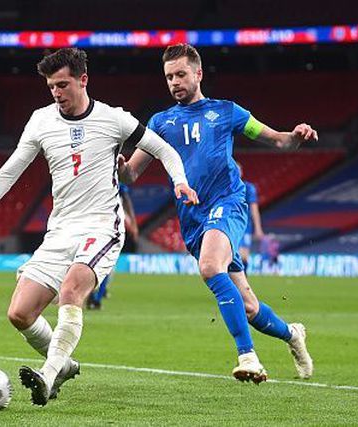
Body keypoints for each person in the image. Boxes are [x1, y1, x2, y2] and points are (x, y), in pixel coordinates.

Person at [0, 48, 198, 406]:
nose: (57, 93)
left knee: (71, 288)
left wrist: (179, 182)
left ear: (83, 80)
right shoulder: (41, 121)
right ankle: (63, 365)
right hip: (60, 229)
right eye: (51, 87)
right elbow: (9, 173)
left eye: (62, 84)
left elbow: (164, 150)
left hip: (102, 226)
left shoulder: (114, 119)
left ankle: (47, 377)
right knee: (20, 313)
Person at [120, 44, 315, 382]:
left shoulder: (227, 112)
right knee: (249, 306)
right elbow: (132, 174)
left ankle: (249, 357)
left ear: (198, 73)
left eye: (181, 74)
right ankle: (292, 334)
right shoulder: (160, 122)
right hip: (193, 219)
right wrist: (119, 165)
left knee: (210, 266)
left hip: (228, 202)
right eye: (169, 77)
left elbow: (278, 141)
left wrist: (296, 136)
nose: (175, 82)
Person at [86, 182, 138, 310]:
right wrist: (133, 224)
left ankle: (92, 294)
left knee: (91, 264)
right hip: (108, 228)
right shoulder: (118, 183)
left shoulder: (94, 181)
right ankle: (96, 297)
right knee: (106, 267)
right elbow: (127, 202)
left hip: (91, 226)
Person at [236, 162, 264, 273]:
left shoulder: (248, 188)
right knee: (232, 256)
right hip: (228, 224)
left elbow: (254, 209)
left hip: (244, 226)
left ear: (241, 172)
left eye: (238, 170)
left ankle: (242, 283)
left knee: (243, 256)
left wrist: (258, 228)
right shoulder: (225, 188)